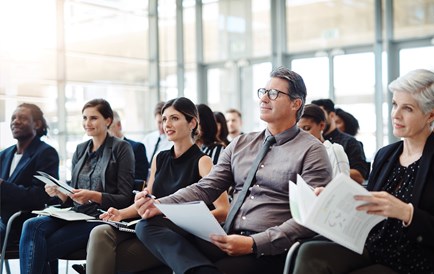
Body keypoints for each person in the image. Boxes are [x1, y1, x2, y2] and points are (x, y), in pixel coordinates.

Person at [133, 66, 333, 274]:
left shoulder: (312, 151)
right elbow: (206, 187)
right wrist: (161, 204)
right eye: (263, 92)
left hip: (266, 249)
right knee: (148, 225)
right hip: (226, 235)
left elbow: (311, 217)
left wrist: (253, 243)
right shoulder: (240, 144)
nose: (264, 98)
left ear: (295, 104)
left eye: (273, 94)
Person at [293, 69, 434, 274]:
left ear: (430, 115)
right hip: (373, 246)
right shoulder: (385, 155)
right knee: (308, 252)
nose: (396, 114)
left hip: (414, 259)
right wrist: (331, 199)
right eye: (395, 104)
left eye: (407, 108)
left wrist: (407, 213)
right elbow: (366, 205)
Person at [83, 97, 230, 274]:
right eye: (165, 119)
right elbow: (149, 203)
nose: (167, 124)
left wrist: (180, 219)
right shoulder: (159, 159)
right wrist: (120, 213)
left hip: (182, 233)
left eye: (174, 118)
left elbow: (223, 211)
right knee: (100, 232)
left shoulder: (203, 161)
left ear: (192, 123)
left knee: (113, 259)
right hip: (153, 226)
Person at [19, 98, 135, 274]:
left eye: (93, 118)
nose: (87, 123)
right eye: (84, 118)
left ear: (108, 120)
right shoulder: (80, 150)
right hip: (76, 214)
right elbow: (73, 194)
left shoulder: (122, 148)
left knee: (38, 248)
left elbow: (125, 198)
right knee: (31, 225)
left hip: (101, 218)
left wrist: (93, 195)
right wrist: (60, 192)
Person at [0, 103, 59, 243]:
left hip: (20, 224)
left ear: (37, 124)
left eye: (23, 118)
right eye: (13, 117)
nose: (16, 121)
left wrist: (2, 185)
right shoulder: (4, 155)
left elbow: (38, 196)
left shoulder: (45, 153)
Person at [311, 98, 369, 184]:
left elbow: (359, 176)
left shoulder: (350, 142)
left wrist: (335, 169)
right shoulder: (311, 143)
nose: (317, 120)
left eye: (320, 115)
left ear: (332, 116)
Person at [298, 104, 350, 177]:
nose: (302, 134)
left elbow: (342, 185)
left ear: (322, 126)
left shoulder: (334, 151)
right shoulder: (299, 154)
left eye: (307, 128)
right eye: (298, 130)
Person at [108, 110, 149, 180]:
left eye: (108, 128)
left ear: (119, 125)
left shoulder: (137, 148)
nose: (105, 133)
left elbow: (140, 179)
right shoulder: (100, 150)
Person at [142, 101, 173, 167]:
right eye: (159, 122)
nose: (162, 126)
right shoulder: (148, 139)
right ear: (154, 120)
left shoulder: (173, 141)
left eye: (164, 121)